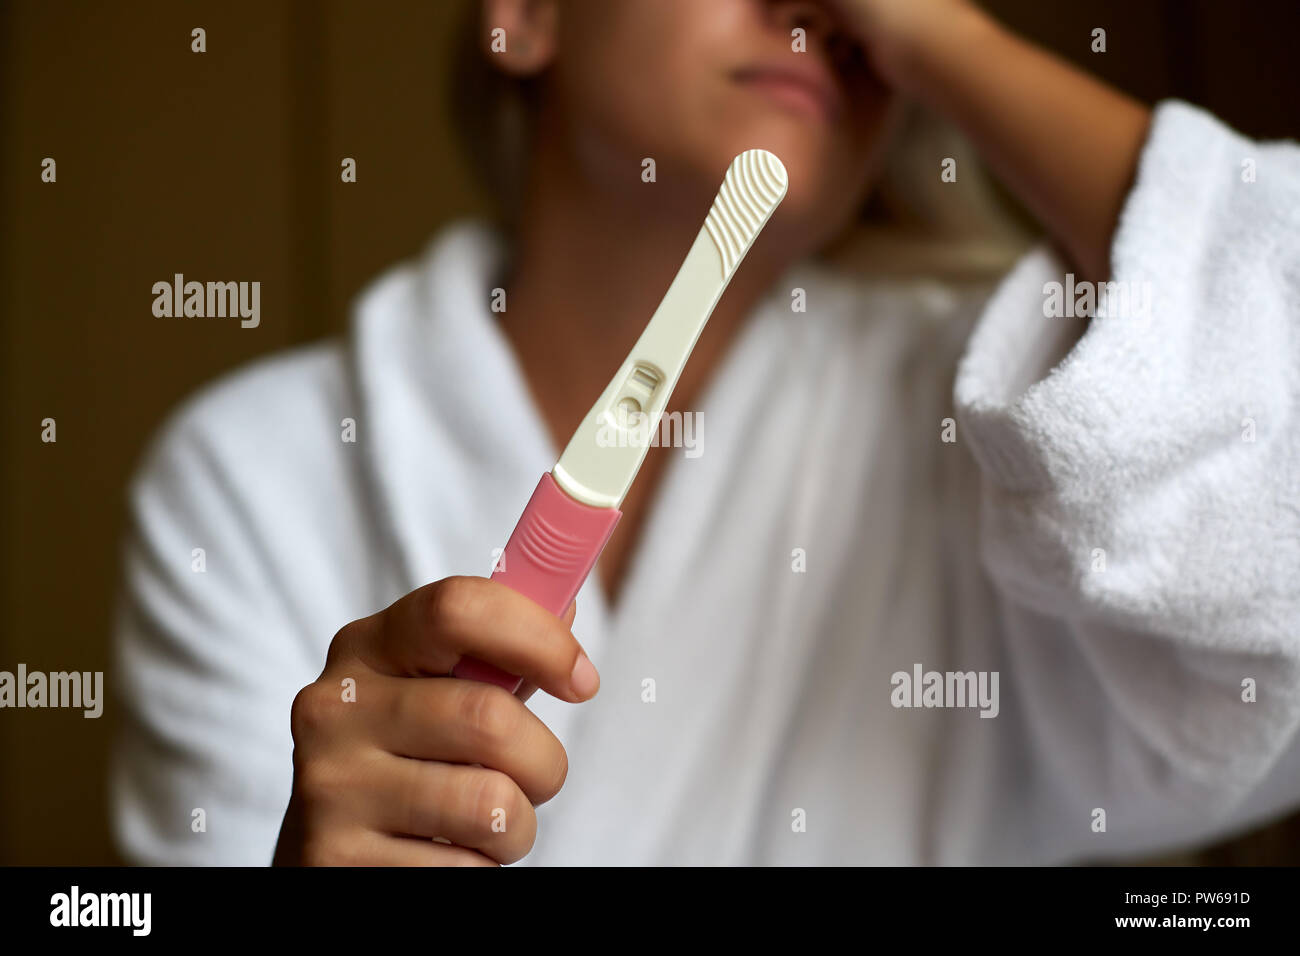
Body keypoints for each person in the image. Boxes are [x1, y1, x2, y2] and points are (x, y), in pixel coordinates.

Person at [112, 0, 1300, 865]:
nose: (815, 13)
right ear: (524, 15)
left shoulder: (1008, 423)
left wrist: (951, 41)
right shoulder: (246, 474)